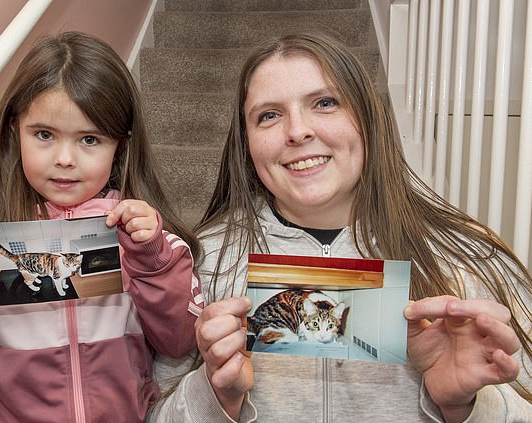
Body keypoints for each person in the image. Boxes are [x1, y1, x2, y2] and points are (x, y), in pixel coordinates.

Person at [149, 33, 532, 422]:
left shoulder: (468, 259)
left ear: (367, 118)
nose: (297, 131)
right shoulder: (197, 262)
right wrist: (213, 396)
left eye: (325, 103)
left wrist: (467, 405)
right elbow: (149, 411)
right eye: (269, 115)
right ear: (246, 142)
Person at [0, 31, 203, 423]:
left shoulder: (150, 244)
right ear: (16, 130)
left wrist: (151, 261)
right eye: (44, 134)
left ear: (121, 146)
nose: (64, 159)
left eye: (90, 139)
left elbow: (180, 341)